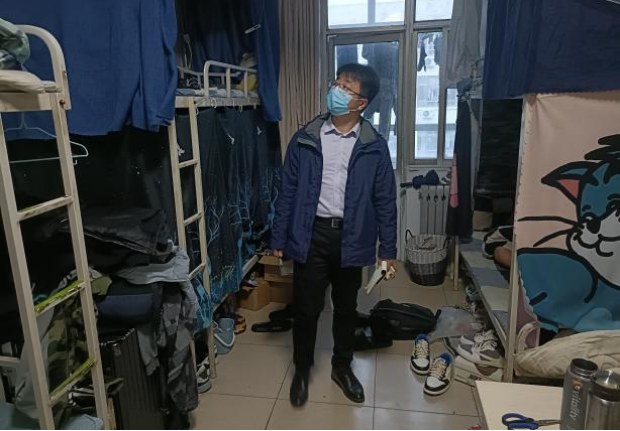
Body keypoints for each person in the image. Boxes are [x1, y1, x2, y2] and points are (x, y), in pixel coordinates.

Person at [271, 63, 398, 407]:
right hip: (311, 236)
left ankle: (342, 367)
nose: (336, 91)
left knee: (346, 309)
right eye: (336, 84)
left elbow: (385, 200)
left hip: (352, 238)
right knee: (306, 309)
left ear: (362, 103)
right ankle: (302, 369)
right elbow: (287, 190)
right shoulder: (306, 138)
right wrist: (279, 238)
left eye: (346, 88)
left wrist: (388, 250)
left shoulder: (374, 146)